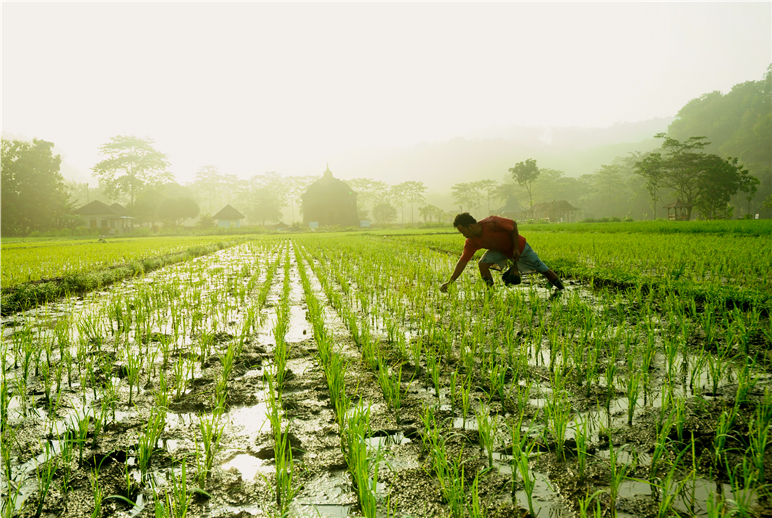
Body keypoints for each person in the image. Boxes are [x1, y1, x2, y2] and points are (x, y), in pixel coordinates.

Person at [439, 213, 565, 292]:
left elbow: (513, 225)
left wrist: (515, 248)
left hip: (520, 247)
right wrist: (450, 282)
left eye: (463, 231)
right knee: (482, 264)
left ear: (471, 226)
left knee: (543, 269)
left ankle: (561, 289)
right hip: (501, 251)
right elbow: (463, 261)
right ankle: (490, 291)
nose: (464, 235)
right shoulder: (471, 241)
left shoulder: (492, 222)